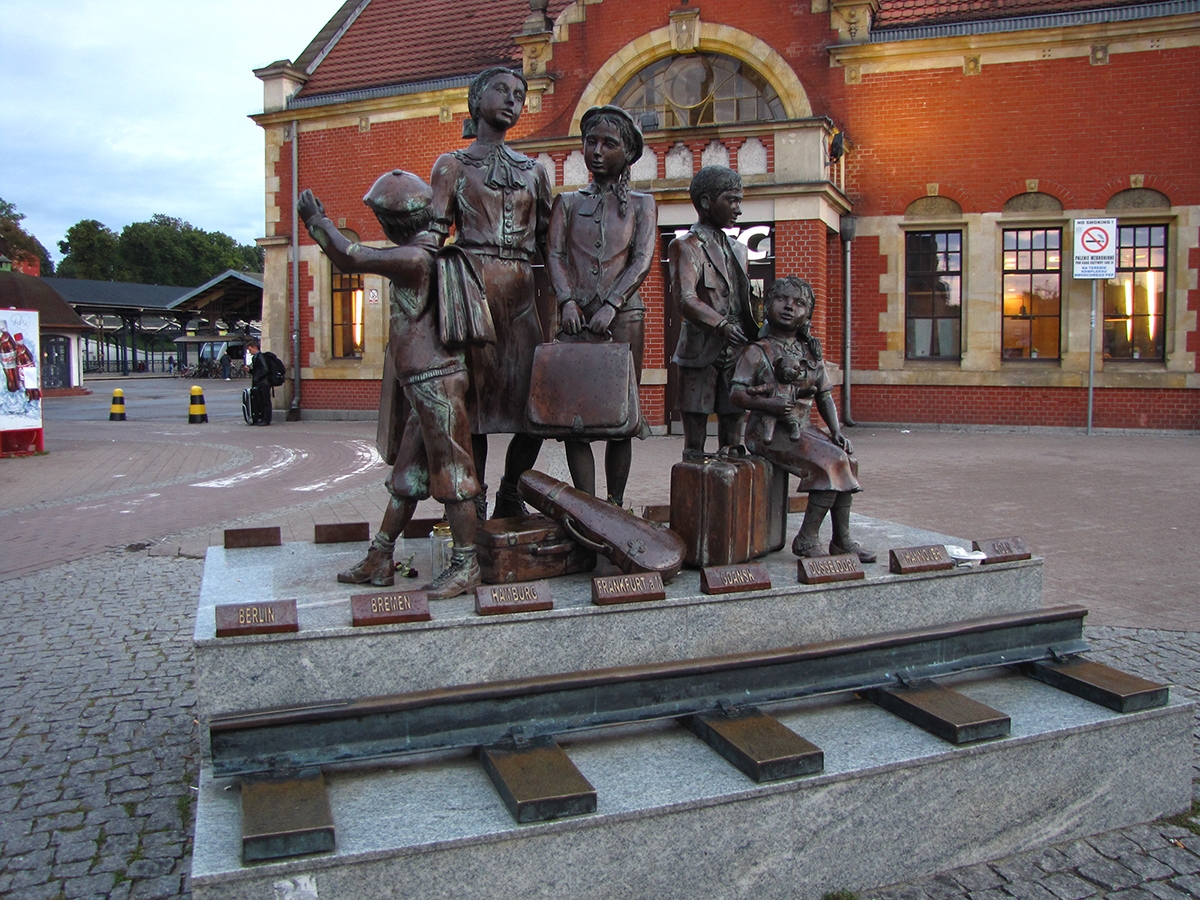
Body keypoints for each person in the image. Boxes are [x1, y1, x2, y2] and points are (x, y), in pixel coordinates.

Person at [298, 170, 483, 599]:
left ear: (387, 222)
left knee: (454, 473)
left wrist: (317, 221)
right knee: (408, 475)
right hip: (422, 384)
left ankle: (466, 561)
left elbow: (350, 256)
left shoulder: (415, 259)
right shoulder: (423, 253)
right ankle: (381, 556)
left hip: (436, 383)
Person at [430, 66, 552, 519]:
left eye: (519, 94)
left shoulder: (535, 171)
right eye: (502, 90)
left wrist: (569, 305)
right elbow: (433, 237)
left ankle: (511, 491)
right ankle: (472, 500)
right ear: (476, 97)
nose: (512, 100)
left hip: (521, 298)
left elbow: (550, 246)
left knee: (538, 408)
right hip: (470, 294)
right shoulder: (452, 166)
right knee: (472, 410)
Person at [546, 105, 656, 507]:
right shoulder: (568, 202)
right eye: (591, 142)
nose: (596, 151)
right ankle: (586, 504)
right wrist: (568, 301)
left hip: (624, 317)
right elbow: (555, 256)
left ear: (626, 154)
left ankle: (615, 504)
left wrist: (613, 302)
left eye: (608, 144)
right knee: (577, 418)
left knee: (620, 416)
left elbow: (642, 260)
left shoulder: (643, 205)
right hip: (574, 319)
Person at [730, 276, 875, 563]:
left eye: (798, 304)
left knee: (848, 459)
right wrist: (769, 404)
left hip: (803, 428)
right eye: (781, 299)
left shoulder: (810, 352)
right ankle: (807, 539)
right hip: (767, 433)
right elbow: (736, 394)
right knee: (831, 462)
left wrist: (836, 432)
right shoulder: (757, 351)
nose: (788, 307)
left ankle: (841, 539)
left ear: (807, 313)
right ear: (767, 305)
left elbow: (824, 396)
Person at [668, 166, 759, 459]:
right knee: (694, 439)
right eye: (731, 201)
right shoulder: (686, 246)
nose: (738, 210)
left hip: (737, 351)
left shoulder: (739, 250)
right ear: (707, 202)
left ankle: (730, 487)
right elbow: (684, 299)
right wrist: (719, 325)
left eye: (739, 201)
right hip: (700, 351)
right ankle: (694, 485)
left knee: (734, 435)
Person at [246, 340, 272, 426]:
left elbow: (265, 369)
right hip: (262, 382)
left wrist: (258, 378)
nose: (250, 352)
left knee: (265, 401)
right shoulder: (257, 357)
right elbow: (258, 370)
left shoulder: (259, 356)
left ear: (254, 348)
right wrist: (250, 371)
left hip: (263, 383)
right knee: (261, 401)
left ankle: (266, 419)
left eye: (250, 350)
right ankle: (262, 418)